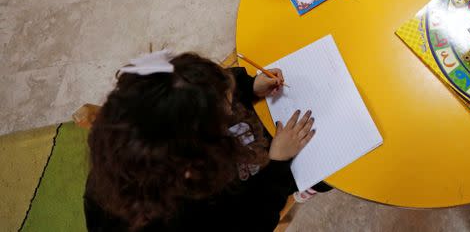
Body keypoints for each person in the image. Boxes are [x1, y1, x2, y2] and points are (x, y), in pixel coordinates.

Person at [84, 50, 319, 231]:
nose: (231, 101)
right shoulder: (189, 217)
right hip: (255, 197)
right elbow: (255, 221)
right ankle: (303, 191)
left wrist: (249, 87)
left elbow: (211, 88)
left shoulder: (143, 129)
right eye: (227, 106)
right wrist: (277, 162)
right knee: (323, 177)